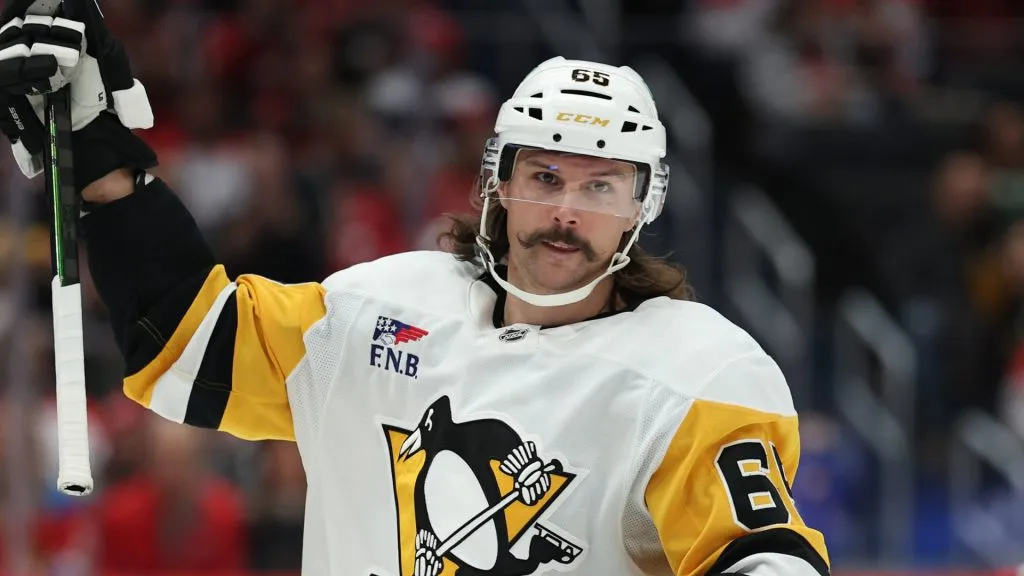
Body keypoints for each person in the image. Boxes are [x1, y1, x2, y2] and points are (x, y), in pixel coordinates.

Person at [0, 2, 830, 575]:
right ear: (496, 183)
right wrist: (92, 142)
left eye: (600, 186)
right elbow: (184, 335)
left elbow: (758, 553)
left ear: (641, 206)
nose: (566, 211)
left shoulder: (692, 373)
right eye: (543, 175)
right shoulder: (381, 311)